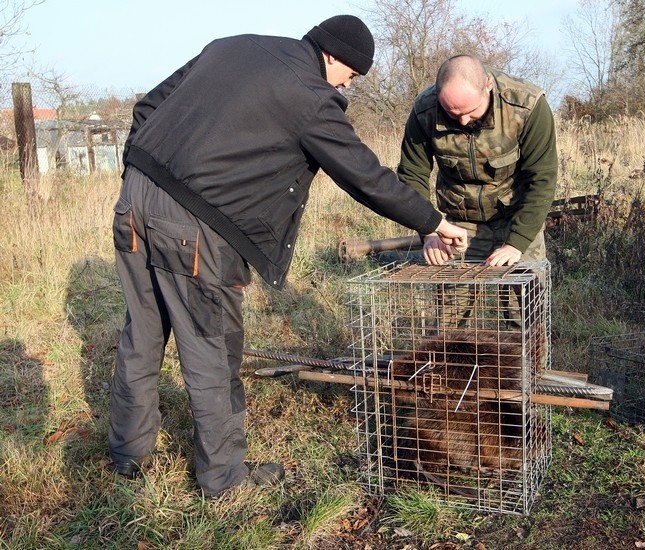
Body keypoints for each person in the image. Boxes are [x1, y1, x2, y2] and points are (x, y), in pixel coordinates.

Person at [109, 15, 468, 499]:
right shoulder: (310, 95)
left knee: (143, 333)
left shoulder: (231, 45)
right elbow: (364, 175)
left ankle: (127, 455)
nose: (349, 86)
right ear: (335, 58)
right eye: (353, 76)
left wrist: (140, 174)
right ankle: (224, 480)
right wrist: (433, 221)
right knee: (212, 351)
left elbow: (148, 107)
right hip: (193, 229)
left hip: (133, 200)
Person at [397, 55, 557, 268]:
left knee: (526, 292)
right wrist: (429, 230)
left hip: (517, 216)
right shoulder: (424, 110)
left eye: (470, 112)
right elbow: (412, 173)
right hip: (459, 222)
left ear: (487, 86)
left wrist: (517, 243)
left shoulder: (526, 105)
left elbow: (542, 178)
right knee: (452, 297)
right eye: (452, 114)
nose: (462, 121)